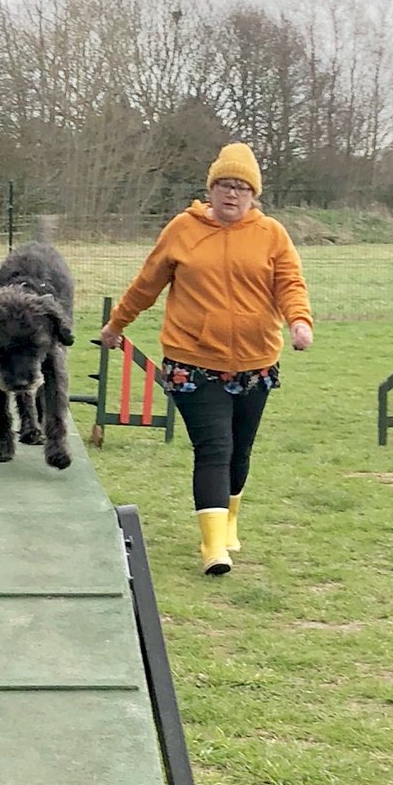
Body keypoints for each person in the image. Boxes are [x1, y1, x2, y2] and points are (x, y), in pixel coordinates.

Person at [100, 142, 313, 576]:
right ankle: (214, 548)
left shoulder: (271, 234)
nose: (231, 194)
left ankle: (229, 518)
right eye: (223, 185)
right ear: (210, 189)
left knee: (240, 449)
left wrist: (299, 321)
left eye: (241, 187)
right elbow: (147, 283)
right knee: (214, 447)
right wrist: (117, 325)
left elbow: (290, 283)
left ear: (254, 195)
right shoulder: (183, 229)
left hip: (256, 361)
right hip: (192, 360)